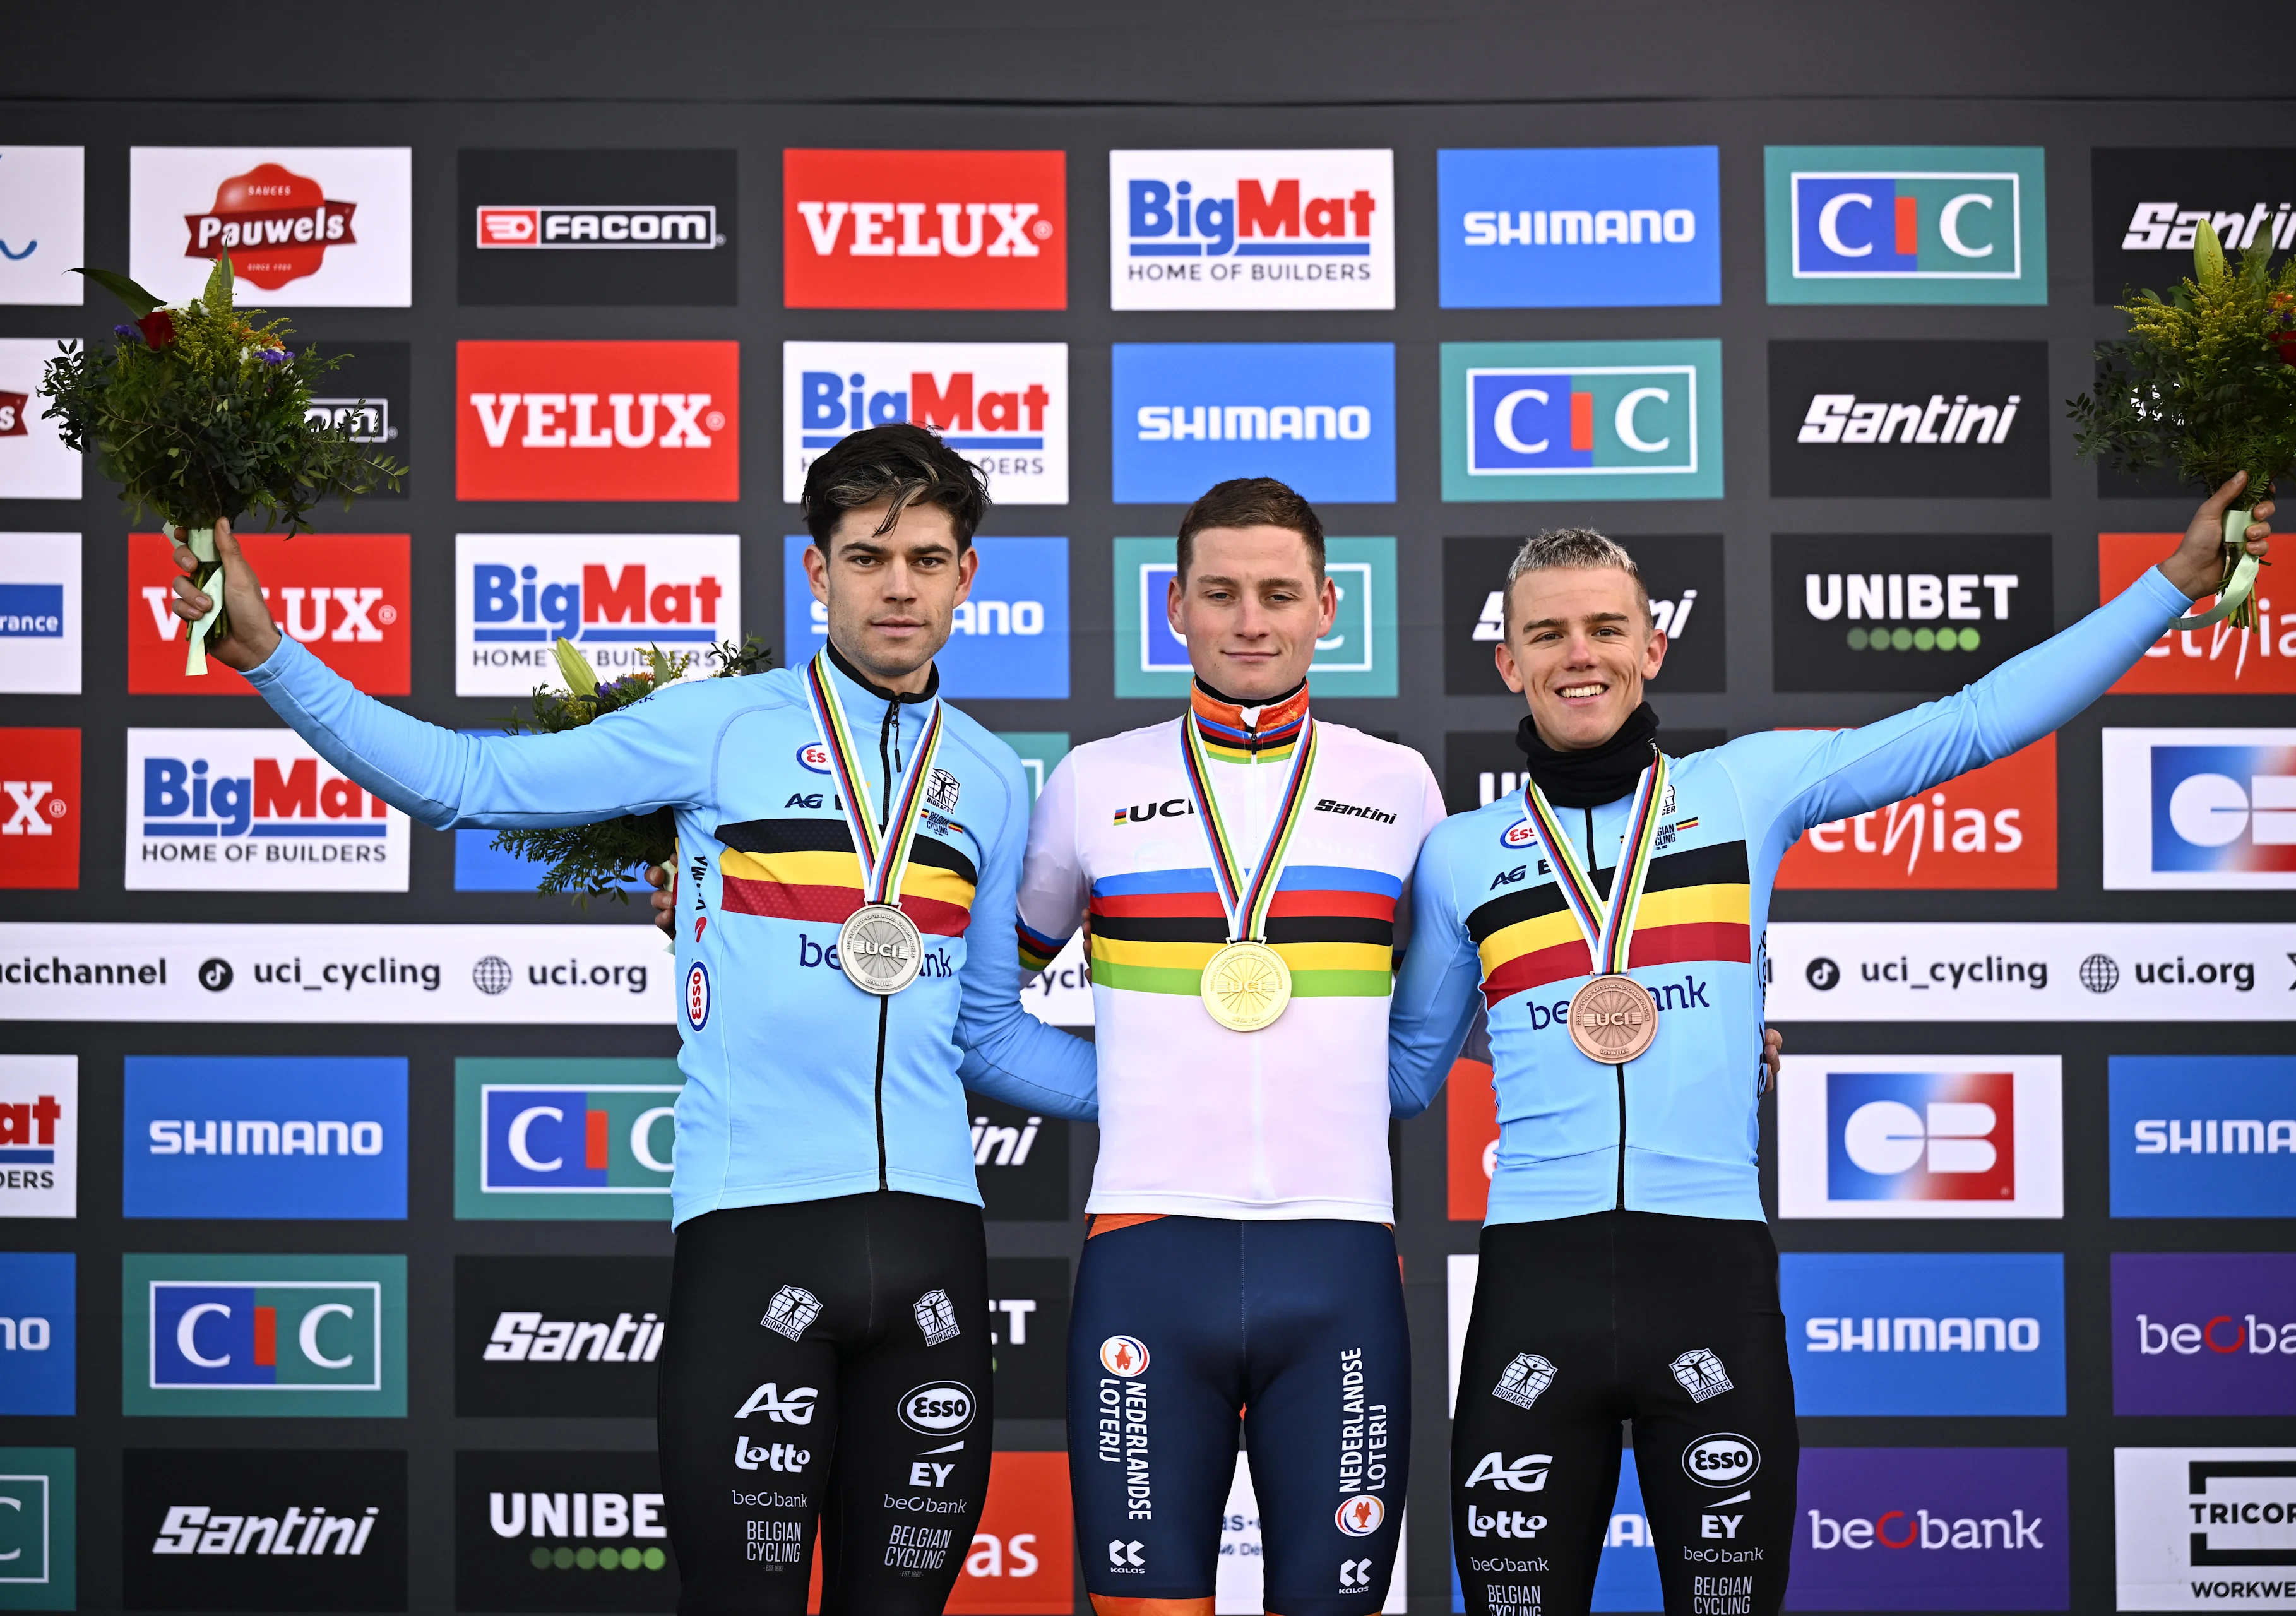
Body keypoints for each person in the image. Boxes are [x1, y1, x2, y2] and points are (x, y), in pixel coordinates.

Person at [158, 423, 1097, 1616]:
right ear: (817, 573)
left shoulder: (994, 774)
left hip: (933, 1250)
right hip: (752, 1231)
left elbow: (988, 1033)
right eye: (867, 556)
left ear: (968, 573)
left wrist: (1195, 1089)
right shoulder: (721, 728)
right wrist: (267, 653)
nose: (898, 585)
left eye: (924, 556)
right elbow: (467, 782)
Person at [1388, 478, 2274, 1616]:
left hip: (1708, 1274)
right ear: (1506, 663)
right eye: (1546, 633)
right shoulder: (1459, 855)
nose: (1580, 655)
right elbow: (1417, 1061)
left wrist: (2170, 589)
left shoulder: (1747, 789)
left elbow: (1970, 724)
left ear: (1652, 647)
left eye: (1606, 627)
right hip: (1532, 1277)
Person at [1013, 478, 1442, 1616]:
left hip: (1340, 1259)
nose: (1250, 620)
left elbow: (1495, 989)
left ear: (1327, 608)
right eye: (1221, 593)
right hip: (1151, 1256)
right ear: (1174, 607)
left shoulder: (1399, 787)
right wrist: (1127, 1092)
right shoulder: (1092, 783)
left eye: (1276, 594)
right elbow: (967, 1005)